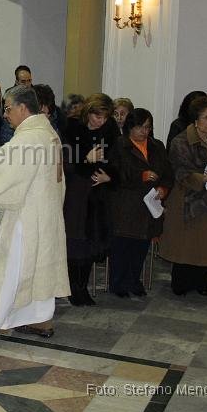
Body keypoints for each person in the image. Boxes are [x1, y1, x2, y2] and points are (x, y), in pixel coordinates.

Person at [0, 86, 69, 341]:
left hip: (26, 217)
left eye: (8, 109)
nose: (6, 115)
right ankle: (39, 321)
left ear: (22, 107)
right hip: (44, 213)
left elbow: (9, 172)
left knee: (10, 269)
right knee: (35, 270)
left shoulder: (29, 137)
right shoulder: (47, 133)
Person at [161, 96, 207, 296]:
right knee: (186, 244)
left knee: (206, 245)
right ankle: (181, 284)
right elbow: (179, 170)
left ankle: (202, 284)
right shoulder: (181, 140)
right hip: (187, 198)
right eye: (206, 117)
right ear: (195, 119)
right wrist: (203, 178)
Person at [107, 108, 172, 297]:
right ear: (130, 127)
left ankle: (134, 281)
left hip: (149, 206)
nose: (144, 132)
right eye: (140, 127)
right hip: (126, 205)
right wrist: (140, 176)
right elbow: (114, 174)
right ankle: (118, 283)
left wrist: (164, 189)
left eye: (148, 128)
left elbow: (168, 173)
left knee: (141, 247)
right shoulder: (119, 145)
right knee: (123, 247)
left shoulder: (157, 146)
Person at [62, 94, 120, 306]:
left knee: (90, 245)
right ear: (88, 112)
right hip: (76, 195)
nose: (100, 121)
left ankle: (83, 287)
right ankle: (73, 288)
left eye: (104, 118)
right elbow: (64, 163)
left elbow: (117, 161)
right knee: (75, 244)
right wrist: (86, 159)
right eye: (97, 116)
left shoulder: (110, 131)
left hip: (97, 196)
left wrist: (109, 176)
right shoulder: (72, 128)